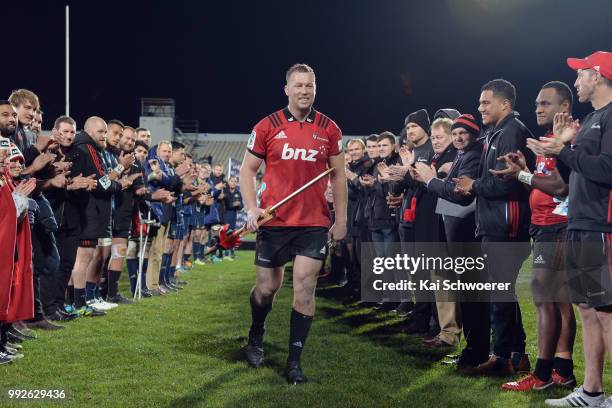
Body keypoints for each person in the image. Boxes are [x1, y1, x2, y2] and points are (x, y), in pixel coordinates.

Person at [240, 63, 347, 384]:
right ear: (286, 89)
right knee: (267, 288)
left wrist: (341, 219)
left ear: (316, 89)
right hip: (274, 221)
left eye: (310, 86)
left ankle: (294, 361)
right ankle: (256, 335)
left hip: (313, 223)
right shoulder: (266, 126)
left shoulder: (330, 129)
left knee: (304, 286)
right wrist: (251, 208)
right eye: (298, 85)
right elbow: (247, 171)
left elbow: (339, 176)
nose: (304, 91)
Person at [525, 51, 612, 408]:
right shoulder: (591, 118)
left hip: (599, 225)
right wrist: (562, 148)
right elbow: (576, 174)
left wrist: (564, 148)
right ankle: (592, 392)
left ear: (599, 75)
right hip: (578, 224)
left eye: (581, 75)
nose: (576, 82)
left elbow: (607, 170)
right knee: (588, 310)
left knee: (606, 312)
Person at [494, 81, 577, 391]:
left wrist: (522, 175)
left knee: (546, 299)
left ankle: (542, 375)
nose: (538, 108)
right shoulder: (549, 141)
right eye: (537, 103)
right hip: (546, 227)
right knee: (557, 301)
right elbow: (543, 186)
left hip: (558, 227)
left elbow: (561, 187)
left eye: (546, 103)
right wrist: (526, 169)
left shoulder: (566, 141)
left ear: (564, 108)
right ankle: (562, 370)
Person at [454, 79, 535, 376]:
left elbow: (507, 180)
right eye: (480, 102)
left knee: (500, 293)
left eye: (486, 102)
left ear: (505, 104)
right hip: (495, 225)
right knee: (502, 293)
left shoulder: (512, 132)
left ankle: (501, 358)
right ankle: (517, 354)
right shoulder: (497, 131)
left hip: (507, 226)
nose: (480, 107)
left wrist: (473, 184)